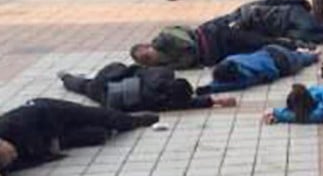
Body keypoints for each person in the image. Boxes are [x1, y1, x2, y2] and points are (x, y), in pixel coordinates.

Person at [131, 0, 323, 69]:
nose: (148, 58)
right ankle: (315, 44)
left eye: (145, 55)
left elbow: (188, 43)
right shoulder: (164, 64)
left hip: (218, 36)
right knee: (261, 46)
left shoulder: (163, 40)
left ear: (146, 47)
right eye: (145, 60)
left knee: (265, 40)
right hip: (218, 50)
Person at [0, 99, 158, 176]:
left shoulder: (12, 124)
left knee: (103, 117)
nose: (14, 156)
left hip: (51, 114)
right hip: (52, 142)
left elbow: (42, 113)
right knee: (98, 135)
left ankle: (133, 120)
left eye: (10, 153)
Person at [60, 63, 236, 111]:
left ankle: (66, 77)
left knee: (84, 86)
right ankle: (66, 78)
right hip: (110, 99)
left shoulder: (158, 77)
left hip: (107, 82)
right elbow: (190, 104)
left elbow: (135, 69)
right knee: (84, 87)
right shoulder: (162, 102)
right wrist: (216, 101)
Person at [199, 45, 321, 94]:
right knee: (297, 56)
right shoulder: (230, 59)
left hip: (283, 64)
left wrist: (210, 88)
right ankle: (303, 52)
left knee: (302, 60)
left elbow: (233, 85)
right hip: (270, 49)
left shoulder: (247, 76)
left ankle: (313, 55)